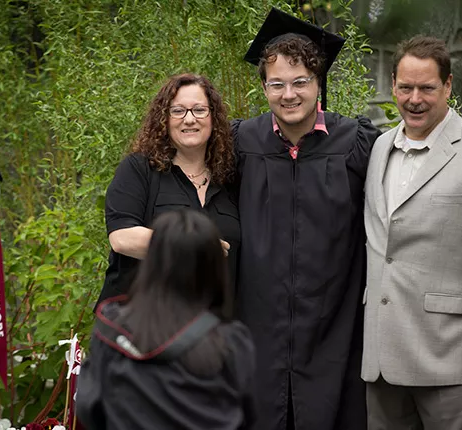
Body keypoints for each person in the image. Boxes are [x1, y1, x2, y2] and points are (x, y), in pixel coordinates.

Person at [361, 36, 462, 429]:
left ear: (448, 86)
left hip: (452, 356)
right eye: (405, 87)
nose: (414, 99)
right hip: (382, 357)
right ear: (393, 86)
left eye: (427, 88)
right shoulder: (380, 147)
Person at [231, 8, 380, 430]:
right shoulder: (241, 142)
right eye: (276, 84)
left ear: (319, 84)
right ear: (263, 87)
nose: (289, 94)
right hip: (258, 326)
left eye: (300, 82)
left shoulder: (356, 142)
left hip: (335, 324)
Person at [77, 209, 256, 429]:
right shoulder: (230, 340)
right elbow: (247, 416)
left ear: (151, 262)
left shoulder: (113, 330)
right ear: (214, 269)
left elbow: (89, 410)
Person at [94, 73, 240, 312]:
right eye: (178, 111)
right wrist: (194, 245)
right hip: (139, 328)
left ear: (213, 117)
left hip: (208, 330)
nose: (189, 119)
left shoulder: (229, 179)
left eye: (199, 110)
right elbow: (122, 238)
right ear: (164, 119)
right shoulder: (139, 169)